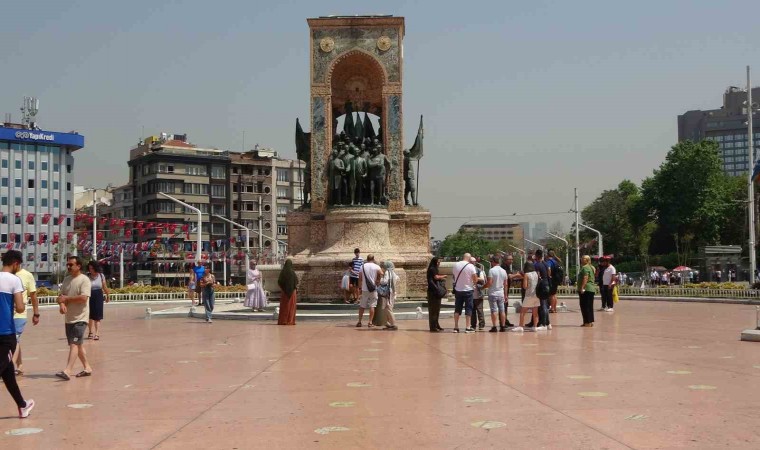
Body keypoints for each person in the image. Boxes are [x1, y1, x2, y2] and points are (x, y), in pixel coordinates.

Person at [0, 251, 35, 417]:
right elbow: (20, 308)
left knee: (8, 372)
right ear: (15, 263)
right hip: (5, 334)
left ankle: (22, 405)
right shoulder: (15, 280)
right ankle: (22, 406)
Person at [56, 256, 93, 380]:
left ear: (78, 266)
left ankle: (67, 371)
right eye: (67, 264)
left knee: (74, 344)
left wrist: (67, 299)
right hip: (69, 318)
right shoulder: (66, 280)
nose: (69, 267)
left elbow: (84, 298)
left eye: (71, 265)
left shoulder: (85, 280)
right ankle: (87, 367)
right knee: (78, 345)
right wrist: (61, 304)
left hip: (81, 318)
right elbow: (61, 296)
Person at [11, 265, 39, 376]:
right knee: (15, 340)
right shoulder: (6, 274)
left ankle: (9, 367)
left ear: (16, 263)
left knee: (15, 339)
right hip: (6, 314)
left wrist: (36, 313)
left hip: (19, 314)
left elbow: (33, 295)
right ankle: (20, 365)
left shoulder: (27, 275)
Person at [452, 253, 478, 333]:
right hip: (468, 290)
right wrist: (474, 282)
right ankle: (467, 327)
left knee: (457, 309)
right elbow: (475, 279)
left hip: (458, 290)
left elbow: (454, 276)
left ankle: (456, 327)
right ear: (469, 258)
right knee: (468, 308)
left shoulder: (456, 265)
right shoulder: (471, 266)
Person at [512, 261, 539, 332]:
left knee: (523, 312)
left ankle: (520, 326)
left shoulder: (527, 274)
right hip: (536, 295)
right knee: (535, 312)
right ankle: (535, 326)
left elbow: (525, 286)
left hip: (528, 295)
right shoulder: (536, 273)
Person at [356, 254, 382, 328]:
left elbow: (360, 278)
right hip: (373, 288)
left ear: (367, 259)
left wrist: (359, 288)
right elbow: (382, 273)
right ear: (373, 259)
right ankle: (370, 322)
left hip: (364, 289)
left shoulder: (362, 266)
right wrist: (378, 280)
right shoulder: (376, 266)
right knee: (372, 306)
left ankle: (359, 321)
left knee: (362, 306)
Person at [86, 261, 110, 341]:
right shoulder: (87, 276)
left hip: (98, 295)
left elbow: (104, 287)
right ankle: (90, 332)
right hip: (89, 295)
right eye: (89, 268)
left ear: (95, 268)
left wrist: (107, 296)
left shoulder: (101, 275)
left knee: (97, 316)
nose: (90, 270)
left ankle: (97, 333)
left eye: (92, 268)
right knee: (90, 315)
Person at [484, 254, 508, 332]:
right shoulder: (504, 271)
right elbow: (506, 284)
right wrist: (505, 295)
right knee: (502, 310)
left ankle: (494, 326)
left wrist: (483, 287)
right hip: (501, 293)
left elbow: (490, 282)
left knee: (494, 310)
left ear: (493, 262)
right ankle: (503, 326)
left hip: (493, 293)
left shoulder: (491, 270)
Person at [426, 257, 446, 332]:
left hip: (435, 292)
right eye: (438, 262)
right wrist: (443, 276)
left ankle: (436, 325)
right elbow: (436, 277)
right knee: (433, 310)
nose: (439, 264)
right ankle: (433, 327)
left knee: (436, 310)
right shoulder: (432, 269)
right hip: (433, 292)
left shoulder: (434, 269)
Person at [533, 249, 551, 330]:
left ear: (536, 256)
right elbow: (549, 272)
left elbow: (537, 275)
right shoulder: (546, 264)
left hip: (542, 286)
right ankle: (548, 323)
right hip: (547, 284)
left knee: (543, 305)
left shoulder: (537, 265)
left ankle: (543, 324)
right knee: (545, 305)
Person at [379, 261, 400, 330]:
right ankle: (388, 323)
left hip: (388, 293)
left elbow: (384, 281)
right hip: (392, 292)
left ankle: (393, 324)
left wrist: (381, 278)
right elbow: (397, 278)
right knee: (388, 308)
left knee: (388, 308)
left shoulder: (387, 272)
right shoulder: (393, 273)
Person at [500, 254, 519, 327]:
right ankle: (503, 322)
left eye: (512, 259)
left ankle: (505, 320)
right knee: (503, 305)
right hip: (503, 289)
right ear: (505, 260)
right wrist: (517, 275)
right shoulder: (504, 267)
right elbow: (509, 276)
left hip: (506, 289)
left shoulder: (507, 267)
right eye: (510, 259)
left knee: (505, 304)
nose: (511, 261)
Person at [277, 259, 298, 325]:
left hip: (284, 293)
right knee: (291, 307)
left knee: (284, 306)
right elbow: (296, 281)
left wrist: (283, 288)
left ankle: (283, 320)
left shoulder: (283, 272)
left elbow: (279, 282)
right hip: (292, 293)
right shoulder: (293, 272)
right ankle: (290, 321)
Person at [578, 255, 597, 327]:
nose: (581, 260)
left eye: (583, 259)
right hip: (590, 289)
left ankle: (587, 322)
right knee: (588, 306)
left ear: (586, 260)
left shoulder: (585, 267)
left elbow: (585, 277)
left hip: (586, 289)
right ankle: (588, 321)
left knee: (585, 306)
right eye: (581, 258)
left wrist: (582, 288)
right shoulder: (590, 267)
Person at [470, 257, 486, 331]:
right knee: (472, 311)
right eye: (470, 262)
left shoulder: (479, 271)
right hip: (470, 294)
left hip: (478, 293)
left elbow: (482, 280)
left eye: (473, 262)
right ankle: (473, 325)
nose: (472, 263)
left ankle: (481, 325)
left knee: (479, 310)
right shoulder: (467, 270)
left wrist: (474, 278)